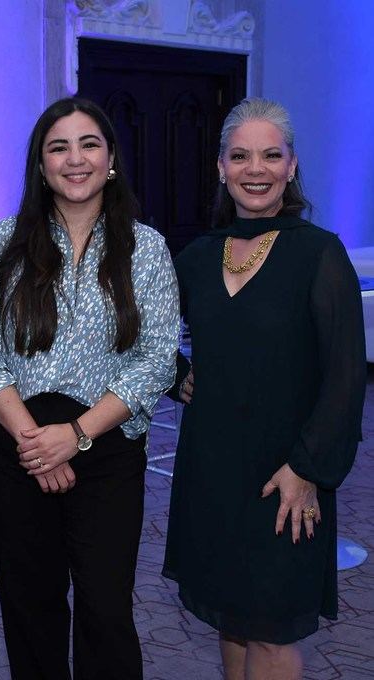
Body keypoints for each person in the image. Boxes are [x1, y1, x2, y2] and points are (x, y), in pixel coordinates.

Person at [0, 97, 179, 680]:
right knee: (30, 608)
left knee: (107, 610)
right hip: (18, 446)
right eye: (58, 147)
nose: (74, 158)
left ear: (110, 160)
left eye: (88, 144)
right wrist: (37, 442)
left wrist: (76, 435)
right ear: (40, 164)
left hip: (107, 447)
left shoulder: (147, 247)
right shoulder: (4, 243)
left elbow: (158, 358)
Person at [163, 97, 366, 680]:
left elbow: (346, 376)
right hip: (212, 468)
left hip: (287, 473)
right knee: (231, 618)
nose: (257, 169)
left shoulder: (319, 254)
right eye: (241, 156)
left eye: (271, 155)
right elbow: (145, 335)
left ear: (292, 166)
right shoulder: (198, 257)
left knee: (274, 631)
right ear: (221, 167)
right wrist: (179, 374)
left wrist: (308, 469)